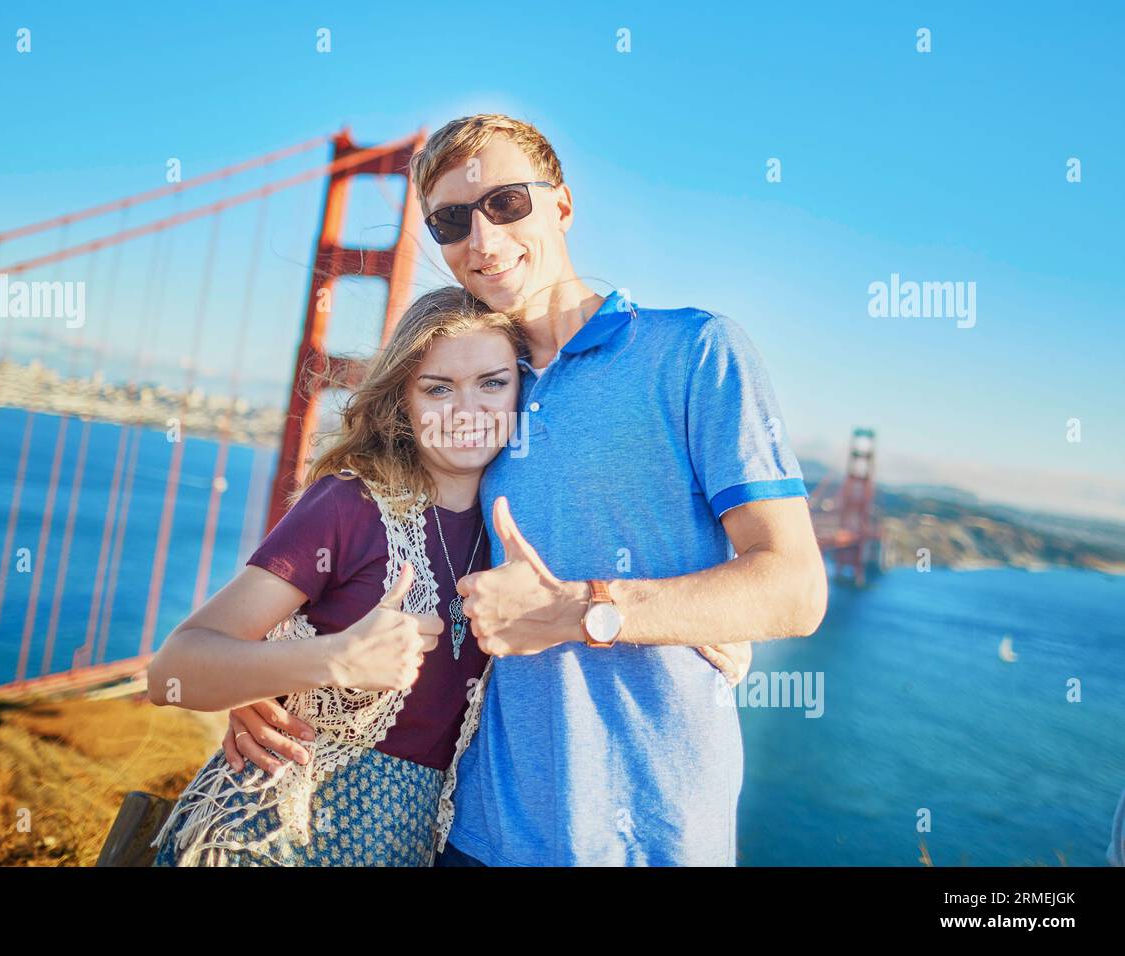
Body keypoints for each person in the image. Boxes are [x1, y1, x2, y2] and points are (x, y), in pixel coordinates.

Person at [218, 114, 798, 867]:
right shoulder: (482, 397)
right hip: (479, 834)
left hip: (652, 836)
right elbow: (378, 543)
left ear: (561, 204)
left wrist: (606, 611)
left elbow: (792, 587)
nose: (484, 240)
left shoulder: (694, 351)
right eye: (452, 221)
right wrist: (259, 671)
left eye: (507, 203)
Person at [145, 286, 511, 866]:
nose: (467, 411)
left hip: (403, 848)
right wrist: (331, 658)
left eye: (492, 383)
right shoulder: (349, 504)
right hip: (265, 840)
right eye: (438, 388)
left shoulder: (518, 538)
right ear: (401, 405)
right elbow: (172, 673)